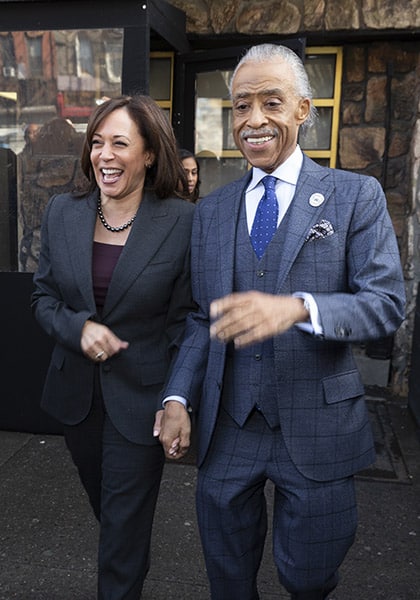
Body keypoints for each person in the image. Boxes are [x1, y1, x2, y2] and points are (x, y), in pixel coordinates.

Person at [155, 44, 406, 600]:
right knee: (228, 579)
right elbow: (202, 318)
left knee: (310, 579)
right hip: (229, 430)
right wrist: (177, 398)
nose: (254, 120)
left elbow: (386, 304)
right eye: (242, 106)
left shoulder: (354, 197)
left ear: (302, 110)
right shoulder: (212, 212)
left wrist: (300, 307)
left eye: (272, 102)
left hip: (318, 430)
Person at [32, 94, 195, 599]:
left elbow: (188, 320)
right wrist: (77, 328)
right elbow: (43, 296)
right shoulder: (62, 211)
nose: (105, 154)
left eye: (120, 143)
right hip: (76, 401)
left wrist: (177, 398)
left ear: (149, 154)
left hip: (141, 401)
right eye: (97, 142)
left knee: (122, 534)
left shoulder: (183, 222)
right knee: (114, 516)